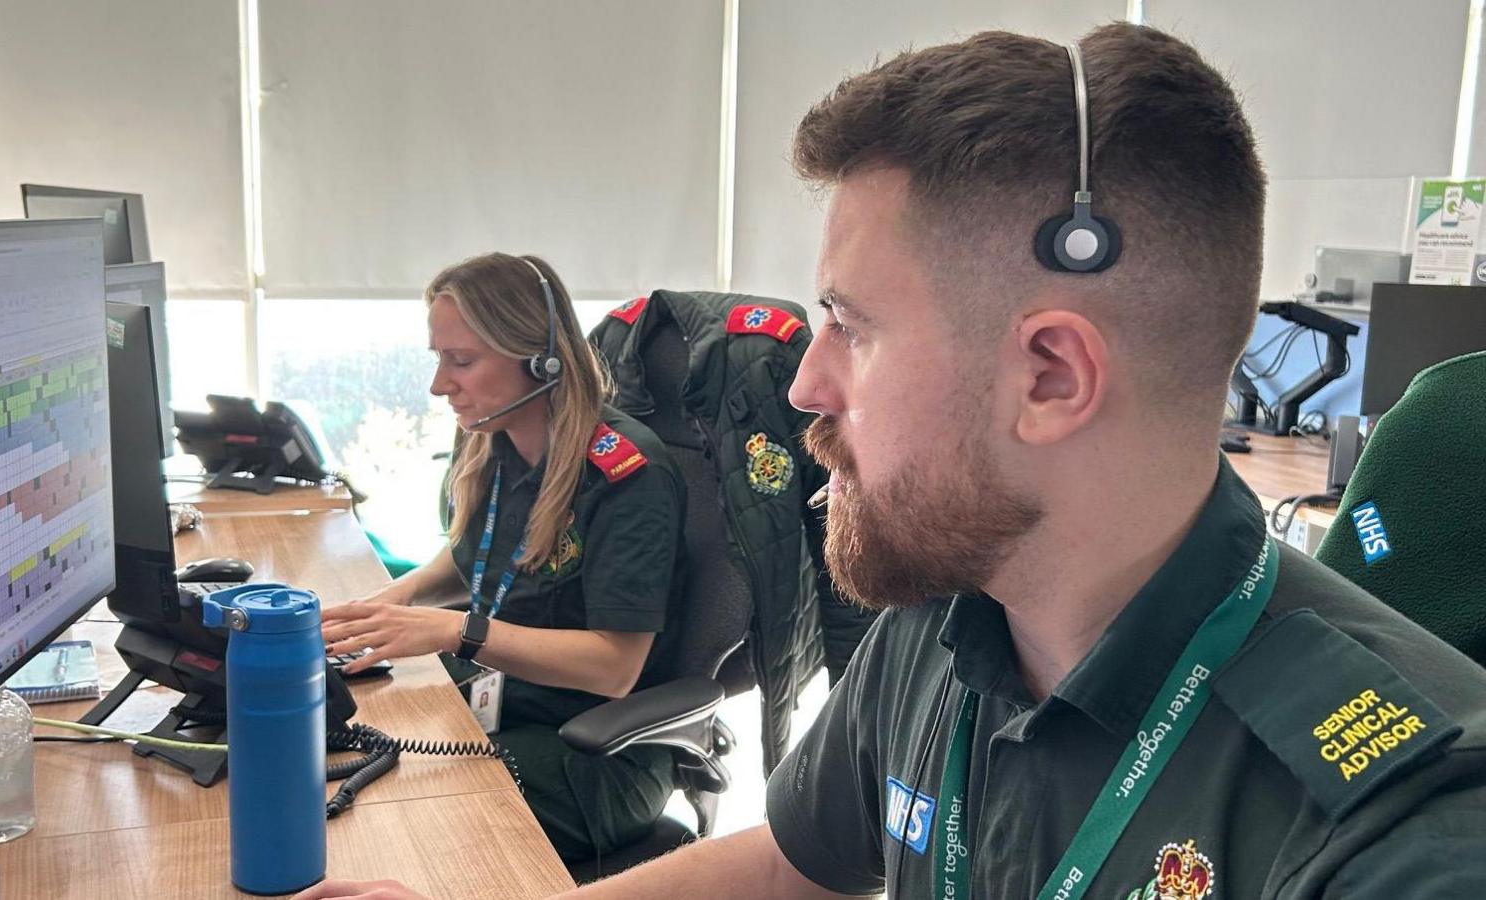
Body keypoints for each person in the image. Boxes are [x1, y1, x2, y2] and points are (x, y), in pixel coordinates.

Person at [298, 23, 1486, 900]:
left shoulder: (1402, 831)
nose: (805, 385)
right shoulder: (953, 609)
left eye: (851, 328)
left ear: (1051, 377)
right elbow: (790, 864)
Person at [320, 251, 686, 864]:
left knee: (394, 820)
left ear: (540, 361)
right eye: (439, 358)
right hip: (505, 706)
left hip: (594, 753)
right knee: (342, 756)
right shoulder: (500, 442)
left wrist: (452, 630)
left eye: (461, 361)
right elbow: (465, 559)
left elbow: (614, 667)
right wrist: (376, 611)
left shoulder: (627, 477)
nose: (440, 384)